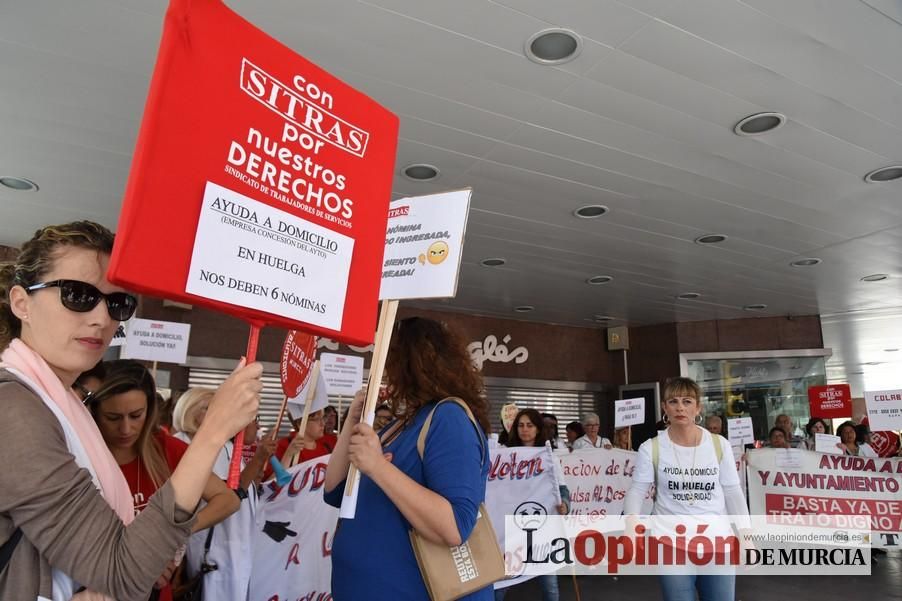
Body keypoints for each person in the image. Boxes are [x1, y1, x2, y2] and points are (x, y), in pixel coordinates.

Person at [0, 220, 261, 600]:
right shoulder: (15, 410)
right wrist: (212, 433)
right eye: (77, 295)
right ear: (22, 302)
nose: (102, 318)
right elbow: (120, 572)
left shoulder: (62, 399)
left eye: (117, 303)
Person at [324, 317, 492, 600]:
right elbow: (334, 490)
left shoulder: (449, 418)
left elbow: (454, 526)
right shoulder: (400, 423)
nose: (382, 369)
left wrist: (378, 467)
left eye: (389, 359)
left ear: (410, 363)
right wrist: (354, 418)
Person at [88, 360, 240, 601]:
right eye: (113, 417)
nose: (126, 428)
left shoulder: (166, 449)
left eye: (136, 415)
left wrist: (175, 535)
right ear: (94, 412)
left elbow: (227, 500)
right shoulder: (80, 452)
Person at [624, 377, 748, 601]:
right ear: (664, 407)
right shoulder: (650, 447)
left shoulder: (719, 444)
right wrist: (631, 524)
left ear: (698, 407)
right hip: (670, 541)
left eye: (687, 401)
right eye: (673, 401)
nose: (680, 407)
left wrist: (747, 536)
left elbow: (732, 492)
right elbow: (637, 490)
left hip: (717, 541)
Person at [172, 387, 274, 600]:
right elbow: (230, 494)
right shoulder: (183, 445)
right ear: (191, 412)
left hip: (235, 547)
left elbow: (242, 492)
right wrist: (258, 458)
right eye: (210, 408)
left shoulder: (224, 446)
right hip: (213, 550)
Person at [496, 409, 569, 601]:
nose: (525, 430)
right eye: (520, 425)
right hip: (511, 530)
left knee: (550, 586)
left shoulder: (549, 457)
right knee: (501, 584)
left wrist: (565, 506)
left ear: (538, 429)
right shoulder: (503, 455)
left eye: (530, 425)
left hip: (542, 530)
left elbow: (562, 490)